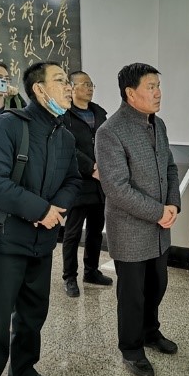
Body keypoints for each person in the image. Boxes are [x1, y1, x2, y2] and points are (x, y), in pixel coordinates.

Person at [0, 61, 82, 376]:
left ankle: (22, 373)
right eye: (60, 80)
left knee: (33, 315)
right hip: (6, 241)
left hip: (42, 242)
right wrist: (40, 209)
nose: (69, 87)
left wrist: (53, 210)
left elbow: (74, 180)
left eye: (68, 81)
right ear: (39, 89)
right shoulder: (7, 125)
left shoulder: (64, 136)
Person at [95, 63, 181, 376]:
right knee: (132, 295)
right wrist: (159, 211)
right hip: (130, 229)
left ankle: (150, 332)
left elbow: (170, 167)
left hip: (159, 228)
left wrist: (173, 204)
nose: (158, 93)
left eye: (158, 86)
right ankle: (131, 348)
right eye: (151, 87)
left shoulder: (158, 124)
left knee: (157, 285)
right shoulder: (110, 131)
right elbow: (117, 188)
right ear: (131, 93)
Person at [61, 70, 113, 297]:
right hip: (77, 182)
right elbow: (67, 147)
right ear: (71, 88)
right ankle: (69, 276)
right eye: (84, 84)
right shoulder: (64, 115)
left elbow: (109, 142)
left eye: (91, 84)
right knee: (72, 233)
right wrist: (91, 167)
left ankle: (91, 271)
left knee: (95, 231)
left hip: (100, 184)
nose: (90, 88)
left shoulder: (99, 113)